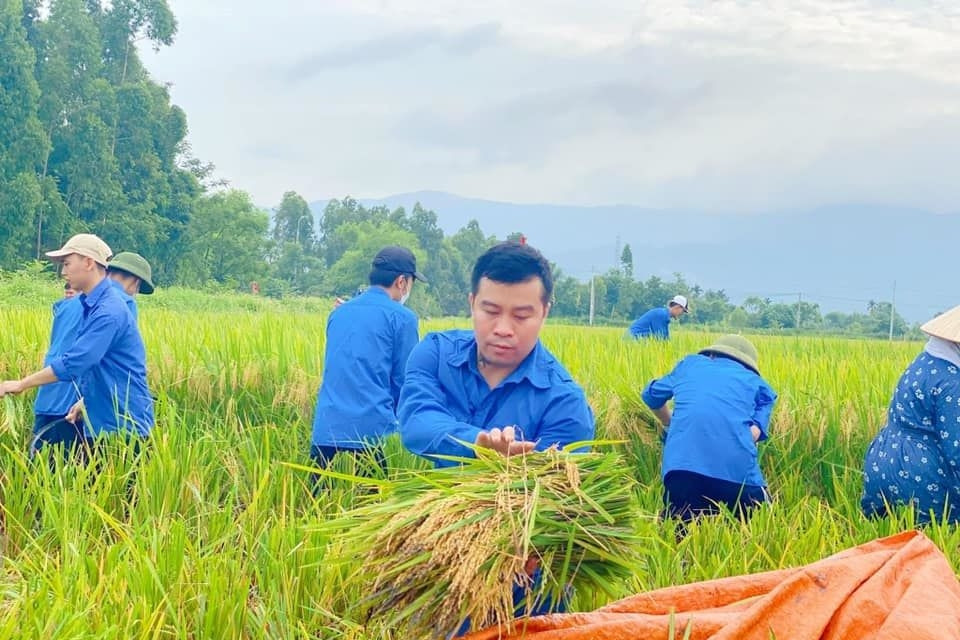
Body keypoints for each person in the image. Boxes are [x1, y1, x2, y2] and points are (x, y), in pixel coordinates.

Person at [398, 241, 594, 626]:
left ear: (545, 312)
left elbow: (562, 497)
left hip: (528, 581)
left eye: (522, 315)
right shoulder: (435, 354)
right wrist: (478, 444)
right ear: (472, 302)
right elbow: (417, 423)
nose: (503, 329)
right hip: (441, 560)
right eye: (490, 311)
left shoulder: (564, 401)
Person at [0, 234, 154, 456]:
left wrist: (22, 384)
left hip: (122, 427)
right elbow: (93, 364)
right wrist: (85, 400)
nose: (63, 272)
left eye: (67, 263)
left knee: (118, 491)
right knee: (87, 487)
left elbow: (77, 361)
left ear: (89, 262)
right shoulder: (88, 304)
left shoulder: (110, 310)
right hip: (100, 421)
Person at [309, 246, 423, 487]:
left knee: (314, 503)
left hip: (327, 425)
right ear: (402, 282)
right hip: (372, 428)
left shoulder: (339, 313)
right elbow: (405, 380)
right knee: (374, 510)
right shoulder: (403, 318)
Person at [642, 334, 777, 525]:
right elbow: (755, 433)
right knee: (764, 524)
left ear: (711, 354)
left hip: (680, 470)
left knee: (680, 531)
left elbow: (650, 395)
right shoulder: (756, 383)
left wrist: (669, 422)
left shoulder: (689, 366)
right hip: (736, 477)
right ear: (748, 366)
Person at [862, 305, 960, 524]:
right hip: (921, 474)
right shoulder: (952, 383)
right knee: (934, 543)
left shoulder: (925, 362)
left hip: (883, 461)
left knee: (889, 536)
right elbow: (958, 448)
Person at [31, 282, 84, 456]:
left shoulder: (61, 310)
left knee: (39, 463)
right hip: (71, 405)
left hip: (49, 399)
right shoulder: (97, 307)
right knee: (72, 466)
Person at [107, 251, 155, 320]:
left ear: (108, 272)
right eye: (138, 288)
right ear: (136, 282)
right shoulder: (128, 303)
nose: (136, 292)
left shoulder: (89, 292)